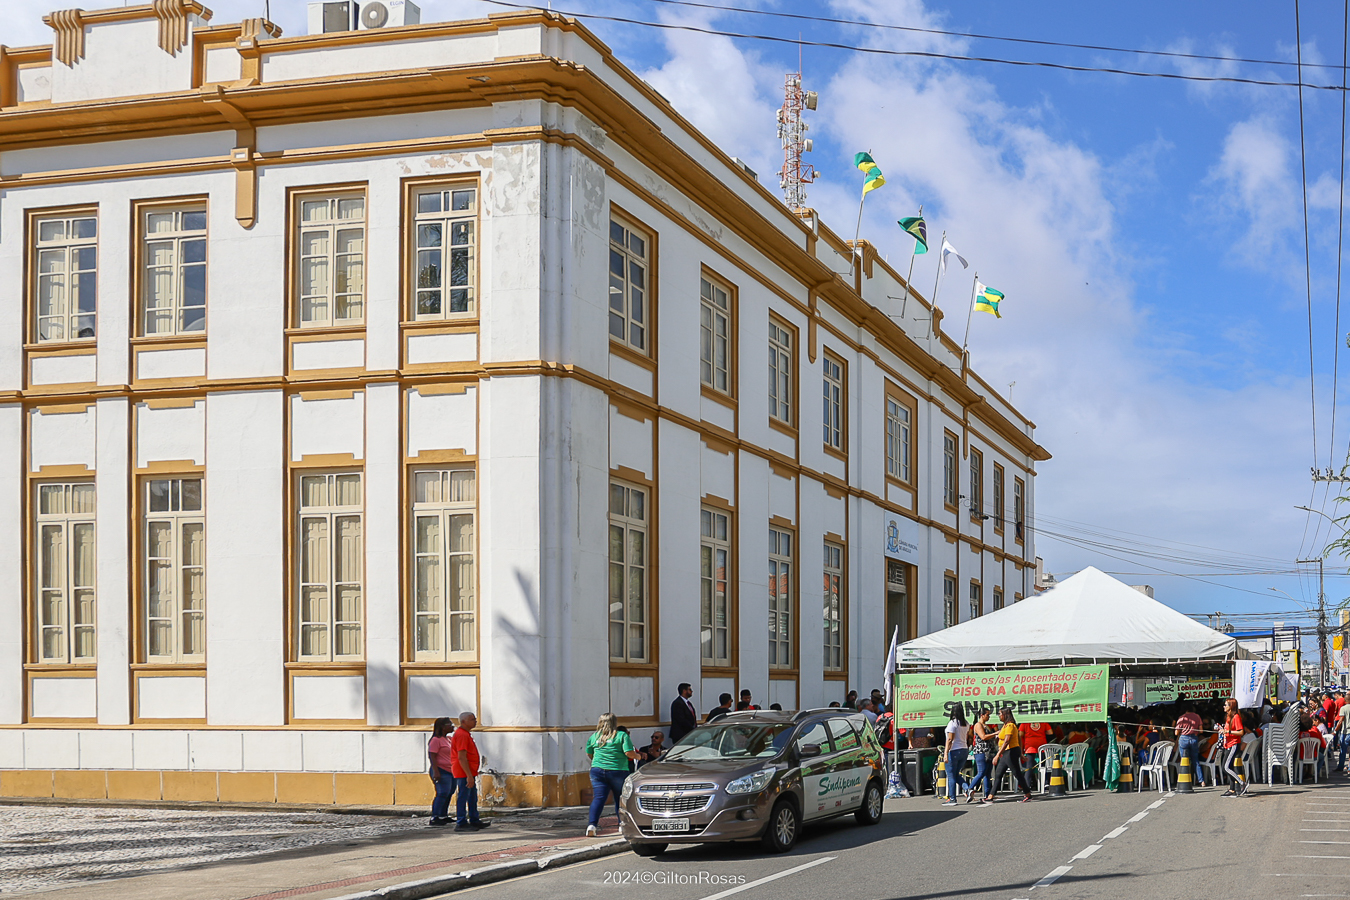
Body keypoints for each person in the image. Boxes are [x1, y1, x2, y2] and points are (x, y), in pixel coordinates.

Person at [584, 712, 640, 836]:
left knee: (598, 798)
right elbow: (629, 753)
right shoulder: (621, 735)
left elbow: (590, 753)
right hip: (618, 770)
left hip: (597, 771)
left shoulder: (594, 736)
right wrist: (638, 756)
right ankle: (621, 824)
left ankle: (592, 825)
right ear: (614, 723)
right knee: (619, 798)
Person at [451, 711, 490, 831]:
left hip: (469, 771)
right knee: (464, 795)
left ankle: (474, 819)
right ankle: (461, 821)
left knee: (472, 796)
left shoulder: (465, 734)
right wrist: (468, 775)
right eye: (472, 719)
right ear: (463, 722)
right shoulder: (462, 735)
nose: (475, 721)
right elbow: (462, 757)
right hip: (463, 772)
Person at [987, 709, 1033, 803]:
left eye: (1000, 714)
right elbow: (1017, 739)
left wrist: (998, 755)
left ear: (1005, 714)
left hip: (1010, 751)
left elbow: (1007, 741)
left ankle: (1028, 794)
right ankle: (990, 796)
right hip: (1006, 752)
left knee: (1017, 773)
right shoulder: (1005, 726)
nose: (999, 716)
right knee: (998, 774)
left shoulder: (1010, 725)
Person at [427, 717, 457, 826]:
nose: (452, 726)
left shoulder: (448, 739)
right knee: (442, 792)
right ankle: (435, 816)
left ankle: (443, 815)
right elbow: (432, 756)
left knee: (449, 792)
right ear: (442, 727)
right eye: (449, 724)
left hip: (451, 770)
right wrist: (436, 771)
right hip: (441, 770)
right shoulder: (436, 740)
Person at [967, 710, 997, 804]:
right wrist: (995, 734)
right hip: (981, 751)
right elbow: (983, 737)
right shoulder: (978, 725)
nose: (989, 717)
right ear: (982, 715)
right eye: (987, 715)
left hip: (989, 752)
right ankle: (969, 789)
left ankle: (988, 795)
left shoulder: (986, 725)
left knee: (988, 774)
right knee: (981, 772)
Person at [942, 709, 970, 806]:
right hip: (964, 749)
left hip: (954, 750)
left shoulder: (952, 723)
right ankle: (967, 789)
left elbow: (950, 739)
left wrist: (945, 753)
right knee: (955, 774)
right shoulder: (965, 723)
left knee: (951, 775)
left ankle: (952, 798)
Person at [1221, 699, 1248, 797]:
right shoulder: (1228, 717)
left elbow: (1241, 732)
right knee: (1228, 767)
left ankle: (1242, 783)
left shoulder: (1236, 717)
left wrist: (1228, 732)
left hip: (1233, 744)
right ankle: (1232, 789)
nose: (1224, 707)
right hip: (1228, 744)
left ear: (1231, 706)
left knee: (1226, 767)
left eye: (1226, 705)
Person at [1174, 705, 1204, 788]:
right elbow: (1201, 730)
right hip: (1194, 738)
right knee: (1195, 760)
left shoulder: (1182, 717)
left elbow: (1176, 733)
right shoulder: (1197, 716)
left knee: (1184, 760)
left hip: (1183, 738)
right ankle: (1202, 781)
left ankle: (1184, 779)